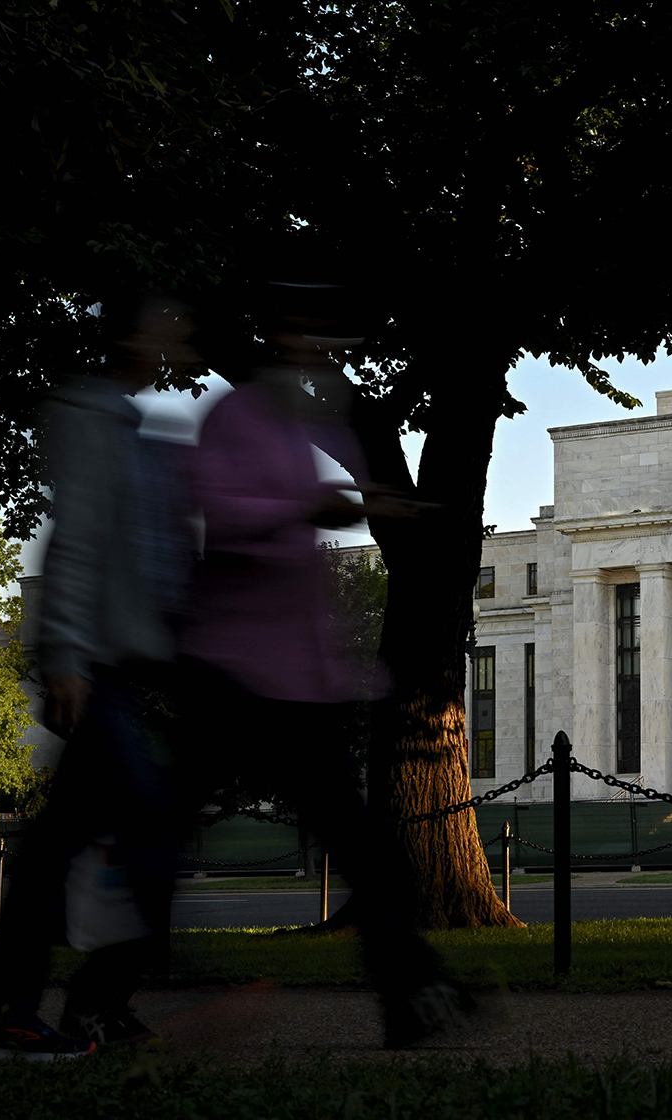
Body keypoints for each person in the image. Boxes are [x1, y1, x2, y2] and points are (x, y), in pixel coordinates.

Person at [176, 282, 466, 1049]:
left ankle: (411, 992)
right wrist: (313, 508)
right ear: (280, 341)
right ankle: (113, 985)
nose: (322, 353)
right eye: (308, 337)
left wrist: (366, 504)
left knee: (365, 846)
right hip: (234, 668)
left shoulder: (301, 422)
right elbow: (225, 515)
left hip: (299, 678)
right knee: (163, 825)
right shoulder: (235, 418)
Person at [0, 294, 196, 1060]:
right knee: (140, 830)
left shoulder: (132, 426)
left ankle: (41, 1003)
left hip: (116, 666)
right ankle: (45, 1005)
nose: (174, 341)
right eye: (162, 327)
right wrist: (61, 654)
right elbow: (79, 540)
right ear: (128, 338)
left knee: (65, 843)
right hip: (90, 664)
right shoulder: (93, 418)